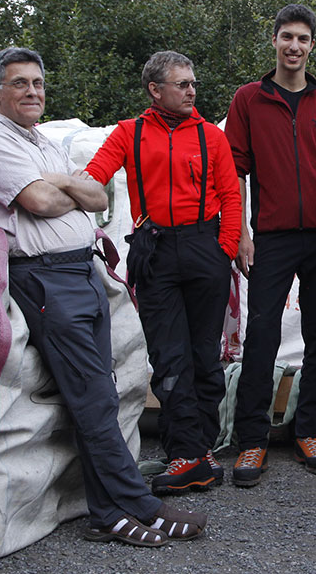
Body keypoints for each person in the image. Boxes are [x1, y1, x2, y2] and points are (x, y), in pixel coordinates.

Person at [0, 47, 208, 545]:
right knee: (92, 396)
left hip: (82, 271)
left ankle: (107, 511)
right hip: (42, 277)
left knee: (100, 393)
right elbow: (40, 201)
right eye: (20, 84)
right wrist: (63, 189)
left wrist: (58, 184)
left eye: (38, 83)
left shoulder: (45, 143)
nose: (32, 93)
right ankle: (137, 501)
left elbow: (99, 197)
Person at [83, 51, 243, 495]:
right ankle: (186, 454)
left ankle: (197, 452)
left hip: (203, 247)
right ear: (156, 90)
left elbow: (231, 195)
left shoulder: (212, 136)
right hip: (154, 250)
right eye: (183, 84)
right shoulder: (127, 134)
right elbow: (93, 177)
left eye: (193, 82)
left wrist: (224, 249)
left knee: (204, 357)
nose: (193, 90)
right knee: (169, 358)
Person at [224, 3, 316, 486]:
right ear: (273, 41)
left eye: (302, 38)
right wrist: (240, 232)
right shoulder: (249, 100)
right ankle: (252, 440)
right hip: (272, 237)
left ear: (312, 44)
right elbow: (234, 169)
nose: (294, 46)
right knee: (261, 335)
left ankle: (310, 431)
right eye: (286, 37)